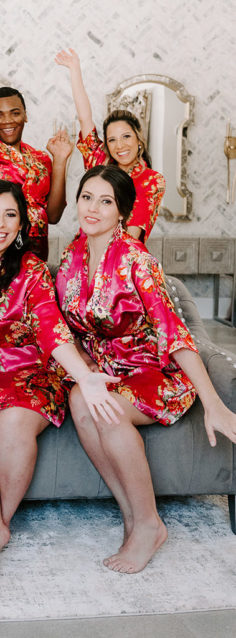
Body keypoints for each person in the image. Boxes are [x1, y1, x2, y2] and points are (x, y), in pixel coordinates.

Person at [56, 165, 236, 573]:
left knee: (110, 410)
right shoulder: (72, 256)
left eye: (106, 202)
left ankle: (150, 522)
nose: (93, 209)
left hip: (153, 371)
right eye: (87, 198)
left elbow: (175, 334)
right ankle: (133, 517)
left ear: (122, 212)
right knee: (81, 402)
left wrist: (213, 403)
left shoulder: (137, 260)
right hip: (107, 370)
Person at [0, 179, 121, 589]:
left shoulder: (30, 269)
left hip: (29, 369)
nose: (0, 223)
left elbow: (50, 328)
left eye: (11, 214)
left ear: (21, 224)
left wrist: (84, 376)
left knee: (12, 426)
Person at [55, 48, 165, 242]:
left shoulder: (151, 180)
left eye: (126, 137)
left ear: (139, 140)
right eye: (112, 140)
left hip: (121, 260)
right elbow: (84, 117)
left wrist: (107, 266)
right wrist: (74, 69)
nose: (120, 145)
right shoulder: (99, 163)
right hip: (84, 252)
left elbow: (132, 235)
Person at [0, 86, 73, 261]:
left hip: (35, 254)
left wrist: (60, 160)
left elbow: (53, 216)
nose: (7, 120)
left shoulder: (41, 159)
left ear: (25, 115)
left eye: (15, 113)